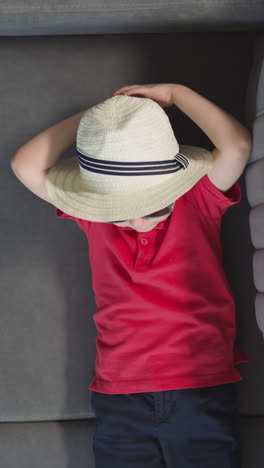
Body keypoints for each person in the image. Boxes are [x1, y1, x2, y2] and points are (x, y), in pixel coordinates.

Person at [11, 83, 252, 468]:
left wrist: (174, 94)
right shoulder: (93, 212)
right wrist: (97, 122)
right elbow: (24, 164)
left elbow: (237, 145)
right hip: (119, 392)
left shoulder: (198, 198)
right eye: (121, 210)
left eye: (154, 207)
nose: (137, 221)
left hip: (199, 384)